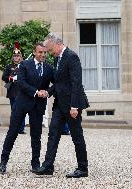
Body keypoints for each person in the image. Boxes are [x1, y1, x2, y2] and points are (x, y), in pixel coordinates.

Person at [33, 33, 89, 178]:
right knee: (53, 134)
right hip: (59, 104)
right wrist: (48, 92)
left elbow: (76, 82)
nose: (50, 53)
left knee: (77, 136)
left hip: (72, 104)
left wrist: (75, 106)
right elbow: (59, 83)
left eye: (50, 50)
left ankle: (83, 168)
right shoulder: (58, 58)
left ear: (57, 44)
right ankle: (48, 166)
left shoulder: (71, 56)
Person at [0, 42, 54, 174]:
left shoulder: (49, 68)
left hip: (38, 106)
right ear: (34, 52)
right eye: (40, 52)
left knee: (36, 136)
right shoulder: (24, 64)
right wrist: (36, 92)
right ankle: (3, 161)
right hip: (22, 103)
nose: (43, 55)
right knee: (12, 132)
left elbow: (56, 84)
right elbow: (21, 82)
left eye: (45, 52)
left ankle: (35, 164)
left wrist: (48, 92)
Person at [2, 42, 26, 134]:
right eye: (15, 56)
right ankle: (14, 128)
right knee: (14, 111)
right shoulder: (9, 67)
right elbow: (4, 77)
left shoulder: (24, 66)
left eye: (18, 56)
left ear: (20, 57)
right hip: (12, 91)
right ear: (13, 57)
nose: (16, 57)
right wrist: (11, 78)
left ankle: (21, 128)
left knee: (22, 111)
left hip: (21, 92)